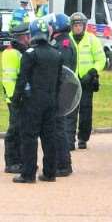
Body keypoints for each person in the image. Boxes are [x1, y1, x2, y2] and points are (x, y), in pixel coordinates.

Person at [12, 19, 63, 183]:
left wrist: (16, 99)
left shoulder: (30, 54)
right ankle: (50, 173)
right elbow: (59, 81)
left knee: (29, 137)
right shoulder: (57, 54)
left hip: (33, 101)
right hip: (50, 100)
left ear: (32, 34)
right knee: (49, 137)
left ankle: (28, 174)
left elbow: (22, 79)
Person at [69, 12, 106, 150]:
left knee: (85, 111)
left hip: (87, 81)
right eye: (75, 25)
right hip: (71, 81)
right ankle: (69, 138)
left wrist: (92, 72)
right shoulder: (67, 39)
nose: (77, 28)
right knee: (70, 111)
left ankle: (83, 138)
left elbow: (101, 60)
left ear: (84, 26)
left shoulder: (92, 40)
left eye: (80, 25)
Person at [49, 13, 77, 176]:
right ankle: (62, 163)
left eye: (52, 26)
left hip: (64, 89)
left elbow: (62, 70)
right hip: (65, 87)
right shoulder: (61, 42)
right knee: (58, 127)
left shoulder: (64, 44)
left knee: (59, 128)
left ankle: (63, 165)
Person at [2, 23, 30, 174]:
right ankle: (11, 162)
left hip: (18, 96)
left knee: (20, 128)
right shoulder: (11, 53)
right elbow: (9, 78)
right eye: (27, 36)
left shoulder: (18, 51)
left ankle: (19, 160)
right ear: (21, 37)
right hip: (15, 98)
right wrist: (16, 98)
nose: (29, 38)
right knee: (15, 129)